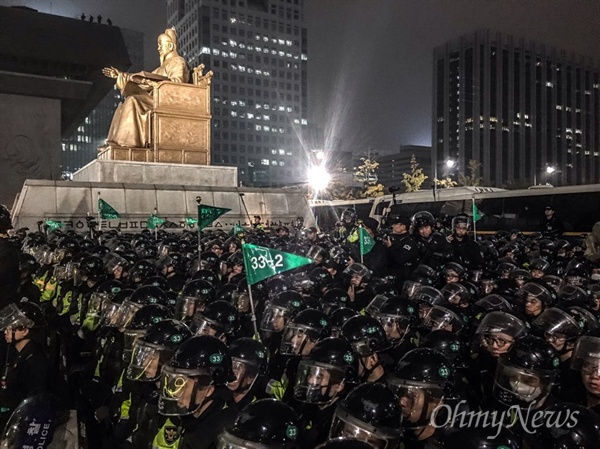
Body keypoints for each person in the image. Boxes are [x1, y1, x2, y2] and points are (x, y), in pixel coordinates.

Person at [103, 28, 190, 148]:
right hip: (154, 98)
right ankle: (115, 142)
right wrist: (121, 75)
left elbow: (178, 83)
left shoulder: (178, 62)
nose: (158, 48)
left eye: (160, 45)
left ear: (170, 46)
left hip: (166, 100)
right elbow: (143, 81)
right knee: (121, 106)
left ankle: (127, 143)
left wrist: (153, 83)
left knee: (133, 101)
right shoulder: (163, 66)